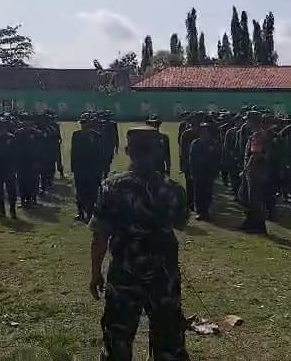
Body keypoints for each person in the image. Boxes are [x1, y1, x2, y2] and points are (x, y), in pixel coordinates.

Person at [89, 126, 190, 361]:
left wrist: (95, 273)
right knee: (168, 340)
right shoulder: (173, 189)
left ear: (127, 150)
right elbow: (181, 222)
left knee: (118, 340)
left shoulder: (111, 187)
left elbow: (100, 237)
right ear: (157, 152)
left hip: (125, 273)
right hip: (163, 275)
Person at [240, 111, 270, 234]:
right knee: (251, 197)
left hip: (255, 171)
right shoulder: (262, 133)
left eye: (248, 120)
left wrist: (246, 169)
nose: (246, 122)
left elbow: (255, 155)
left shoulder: (257, 135)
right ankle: (252, 222)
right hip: (260, 170)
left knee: (253, 198)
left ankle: (259, 225)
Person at [71, 114, 102, 222]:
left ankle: (89, 214)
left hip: (92, 170)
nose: (84, 125)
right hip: (80, 169)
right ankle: (80, 213)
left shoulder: (96, 136)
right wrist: (73, 168)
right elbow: (73, 153)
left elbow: (99, 155)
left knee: (91, 193)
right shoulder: (76, 135)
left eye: (86, 123)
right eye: (82, 123)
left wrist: (99, 171)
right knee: (79, 192)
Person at [189, 123, 220, 221]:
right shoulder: (196, 143)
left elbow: (217, 158)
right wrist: (192, 171)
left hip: (209, 172)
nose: (205, 133)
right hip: (198, 172)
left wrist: (215, 171)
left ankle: (206, 211)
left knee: (208, 192)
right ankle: (199, 211)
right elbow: (192, 158)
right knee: (198, 192)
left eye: (206, 131)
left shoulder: (213, 143)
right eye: (203, 131)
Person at [0, 118, 17, 218]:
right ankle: (2, 210)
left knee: (11, 190)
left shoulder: (11, 138)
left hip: (8, 168)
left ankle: (12, 209)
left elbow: (15, 155)